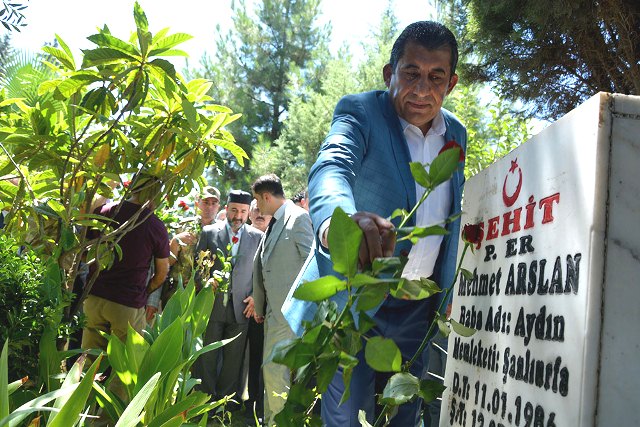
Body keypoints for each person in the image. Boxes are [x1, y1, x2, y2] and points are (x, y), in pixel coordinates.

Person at [282, 21, 467, 427]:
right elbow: (332, 165)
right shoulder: (360, 111)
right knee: (348, 413)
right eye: (411, 73)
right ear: (390, 74)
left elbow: (451, 212)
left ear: (450, 83)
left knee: (405, 413)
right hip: (358, 301)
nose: (422, 89)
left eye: (436, 77)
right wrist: (338, 220)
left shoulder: (457, 133)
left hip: (420, 307)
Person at [251, 174, 314, 426]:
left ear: (267, 197)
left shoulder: (297, 218)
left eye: (257, 200)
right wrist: (260, 304)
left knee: (277, 374)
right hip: (273, 316)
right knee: (273, 374)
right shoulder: (276, 221)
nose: (257, 206)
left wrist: (299, 310)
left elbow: (313, 265)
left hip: (291, 317)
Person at [82, 172, 170, 350]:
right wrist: (144, 292)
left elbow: (85, 252)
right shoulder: (155, 225)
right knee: (124, 368)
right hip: (127, 303)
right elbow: (162, 272)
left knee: (89, 362)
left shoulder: (105, 212)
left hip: (94, 297)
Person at [193, 190, 263, 402]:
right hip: (212, 306)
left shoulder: (258, 237)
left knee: (234, 359)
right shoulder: (209, 232)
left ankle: (225, 402)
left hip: (241, 308)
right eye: (234, 210)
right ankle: (203, 400)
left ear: (248, 212)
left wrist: (255, 297)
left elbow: (261, 272)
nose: (238, 216)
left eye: (243, 211)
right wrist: (205, 283)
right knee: (207, 356)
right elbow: (197, 269)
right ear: (226, 209)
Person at [243, 199, 273, 416]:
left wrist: (257, 296)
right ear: (249, 214)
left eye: (264, 211)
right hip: (236, 310)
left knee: (259, 359)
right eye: (256, 210)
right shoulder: (241, 237)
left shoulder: (275, 238)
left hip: (262, 313)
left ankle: (257, 407)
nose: (260, 214)